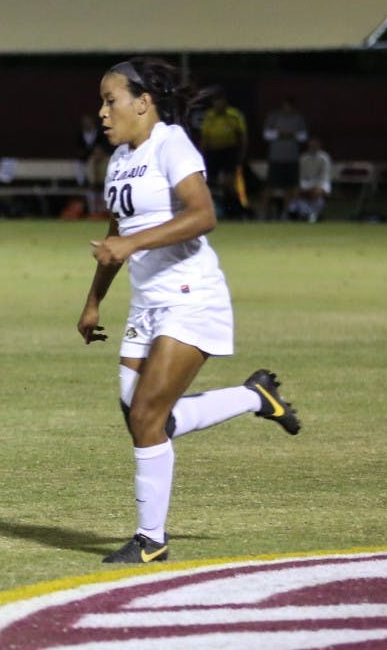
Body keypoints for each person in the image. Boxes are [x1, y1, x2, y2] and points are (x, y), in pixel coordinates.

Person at [78, 57, 301, 564]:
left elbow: (203, 215)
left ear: (144, 102)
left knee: (147, 417)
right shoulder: (118, 161)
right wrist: (93, 301)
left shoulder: (171, 143)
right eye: (102, 102)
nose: (103, 112)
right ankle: (254, 396)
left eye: (111, 101)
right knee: (144, 419)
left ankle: (151, 540)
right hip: (149, 303)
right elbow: (117, 234)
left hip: (192, 296)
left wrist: (131, 247)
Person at [199, 86, 248, 219]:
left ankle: (236, 211)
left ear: (225, 101)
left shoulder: (234, 115)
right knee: (212, 183)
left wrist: (240, 156)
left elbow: (242, 137)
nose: (218, 104)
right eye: (215, 101)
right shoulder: (209, 116)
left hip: (229, 152)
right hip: (213, 152)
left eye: (220, 100)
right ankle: (215, 212)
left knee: (229, 183)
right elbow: (204, 138)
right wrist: (202, 158)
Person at [260, 96, 307, 219]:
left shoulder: (298, 118)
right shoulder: (274, 117)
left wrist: (291, 134)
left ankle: (286, 213)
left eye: (290, 106)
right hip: (275, 157)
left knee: (290, 187)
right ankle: (264, 213)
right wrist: (279, 134)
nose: (287, 108)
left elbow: (303, 136)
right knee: (270, 186)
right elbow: (266, 134)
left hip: (292, 157)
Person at [288, 136, 331, 223]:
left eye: (315, 145)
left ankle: (314, 214)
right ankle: (295, 212)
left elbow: (324, 176)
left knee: (317, 192)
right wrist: (303, 186)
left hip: (321, 183)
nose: (313, 147)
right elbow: (301, 175)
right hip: (306, 183)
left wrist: (317, 186)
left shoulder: (324, 158)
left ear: (319, 146)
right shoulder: (303, 158)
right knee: (295, 191)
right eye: (311, 145)